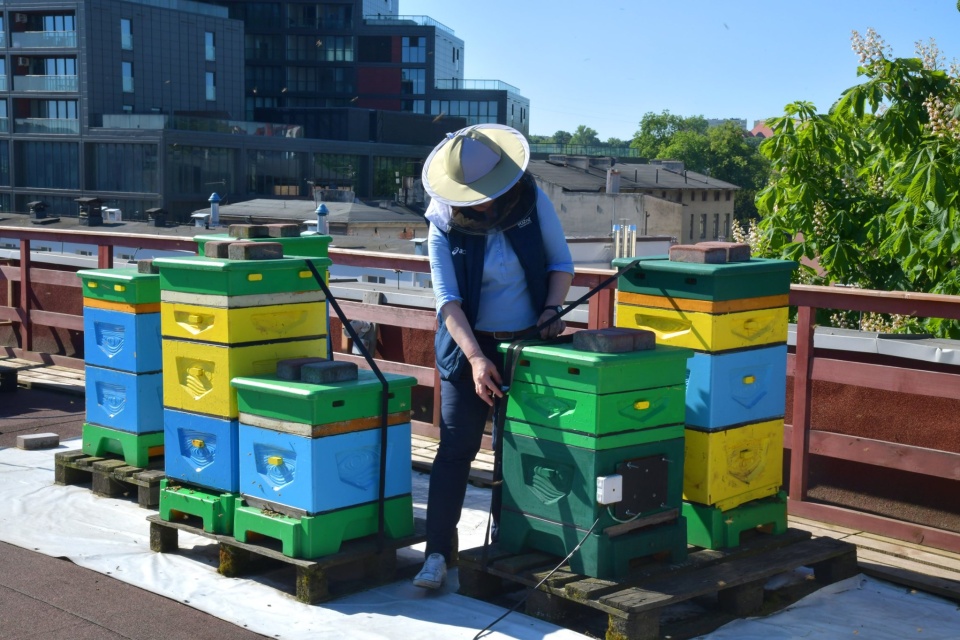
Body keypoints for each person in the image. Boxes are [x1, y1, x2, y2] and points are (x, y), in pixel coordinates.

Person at [413, 124, 574, 589]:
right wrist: (476, 358)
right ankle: (438, 555)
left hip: (529, 342)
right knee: (455, 450)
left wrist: (550, 310)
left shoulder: (530, 199)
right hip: (468, 346)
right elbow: (447, 301)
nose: (480, 202)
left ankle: (511, 549)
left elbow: (560, 263)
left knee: (521, 451)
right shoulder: (441, 221)